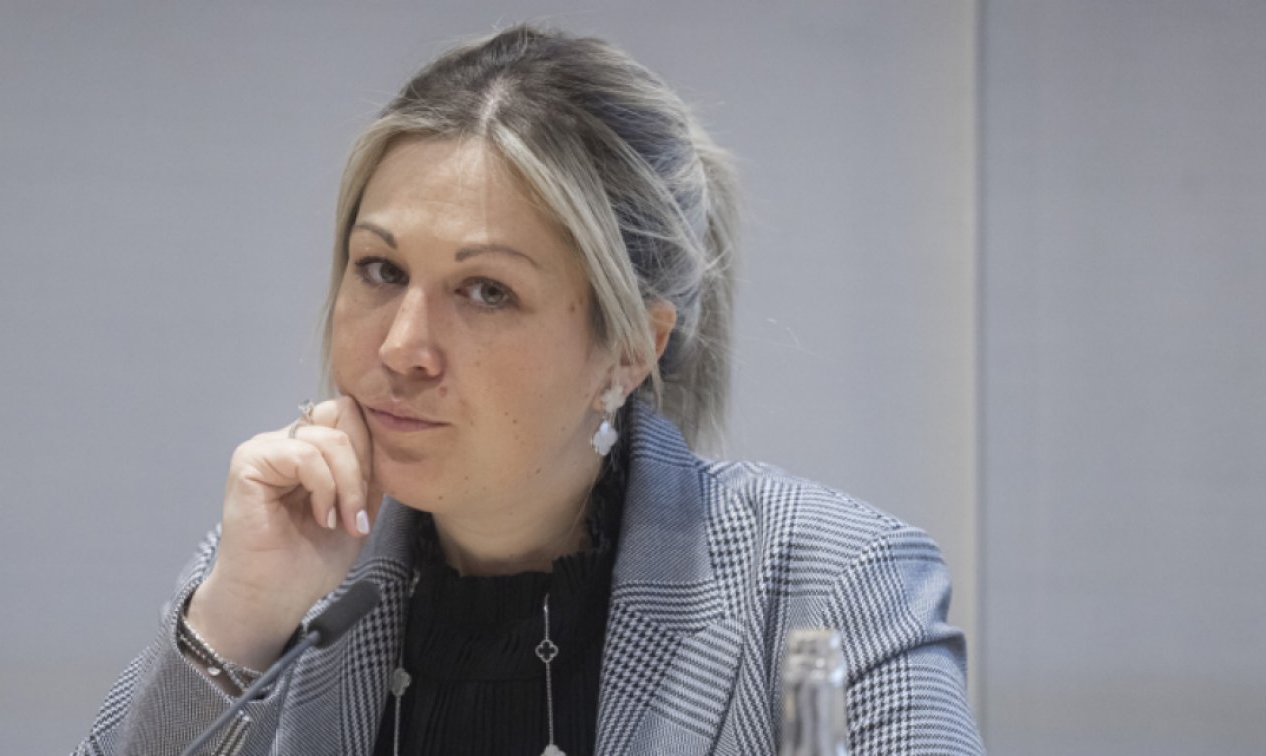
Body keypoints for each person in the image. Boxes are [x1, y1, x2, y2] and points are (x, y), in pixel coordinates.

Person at [75, 24, 983, 756]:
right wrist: (233, 625)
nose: (402, 347)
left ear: (628, 351)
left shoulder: (835, 586)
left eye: (487, 291)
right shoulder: (281, 562)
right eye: (381, 269)